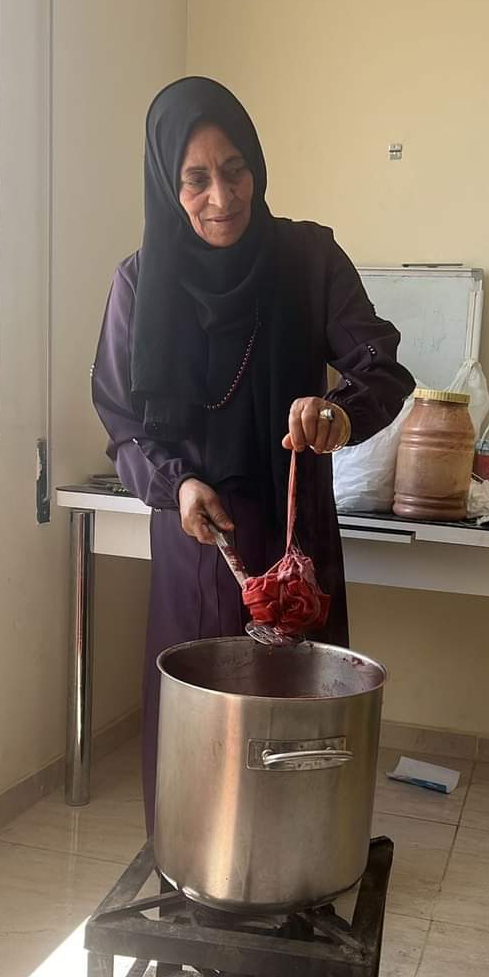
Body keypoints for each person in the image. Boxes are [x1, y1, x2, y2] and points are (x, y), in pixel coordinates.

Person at [92, 77, 414, 834]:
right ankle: (194, 861)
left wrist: (338, 410)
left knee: (298, 717)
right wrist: (175, 485)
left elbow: (381, 365)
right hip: (194, 535)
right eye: (196, 178)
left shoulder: (308, 258)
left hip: (295, 532)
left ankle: (301, 863)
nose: (221, 196)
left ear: (257, 167)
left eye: (235, 170)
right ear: (168, 185)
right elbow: (122, 422)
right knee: (199, 721)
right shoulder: (140, 283)